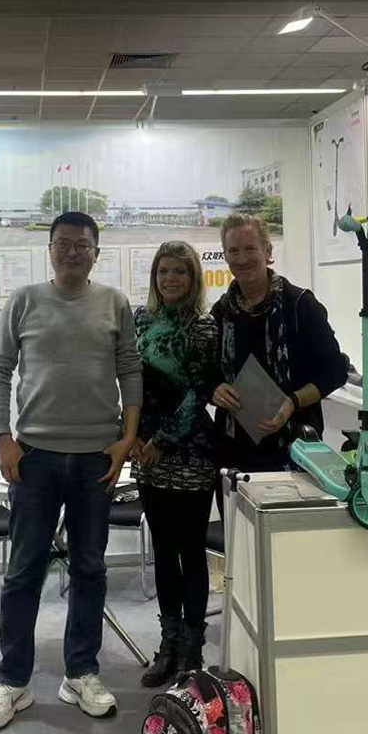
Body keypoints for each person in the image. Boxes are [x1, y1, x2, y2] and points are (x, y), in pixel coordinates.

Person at [0, 211, 142, 731]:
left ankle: (81, 673)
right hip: (36, 458)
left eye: (82, 245)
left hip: (97, 459)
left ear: (96, 253)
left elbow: (130, 370)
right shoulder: (24, 300)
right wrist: (2, 438)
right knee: (23, 571)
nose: (73, 252)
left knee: (90, 568)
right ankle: (13, 680)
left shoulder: (114, 303)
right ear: (49, 250)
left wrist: (127, 439)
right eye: (64, 244)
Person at [132, 242, 220, 687]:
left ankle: (192, 649)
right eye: (163, 271)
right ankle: (167, 645)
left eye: (179, 272)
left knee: (191, 552)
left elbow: (198, 393)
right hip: (144, 452)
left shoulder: (204, 326)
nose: (170, 279)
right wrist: (132, 435)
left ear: (193, 278)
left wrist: (162, 442)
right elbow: (129, 382)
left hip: (190, 453)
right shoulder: (140, 320)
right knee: (164, 551)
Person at [211, 215, 347, 479]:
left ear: (268, 251)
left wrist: (291, 402)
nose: (242, 258)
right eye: (233, 251)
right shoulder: (220, 313)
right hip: (234, 451)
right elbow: (206, 374)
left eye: (250, 248)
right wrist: (214, 389)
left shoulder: (300, 305)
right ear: (225, 256)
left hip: (295, 448)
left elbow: (335, 371)